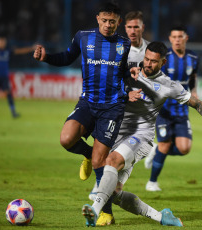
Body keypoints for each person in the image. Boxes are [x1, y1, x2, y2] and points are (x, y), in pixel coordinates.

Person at [81, 41, 202, 227]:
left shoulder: (168, 85)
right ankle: (162, 217)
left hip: (140, 137)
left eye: (153, 62)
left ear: (163, 63)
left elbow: (197, 103)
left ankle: (94, 210)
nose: (148, 64)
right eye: (146, 59)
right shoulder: (128, 73)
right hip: (115, 135)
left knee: (112, 161)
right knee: (115, 193)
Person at [33, 1, 132, 222]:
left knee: (100, 163)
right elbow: (67, 58)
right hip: (87, 102)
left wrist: (132, 80)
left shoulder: (125, 45)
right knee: (66, 139)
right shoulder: (83, 37)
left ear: (119, 22)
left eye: (112, 22)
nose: (108, 25)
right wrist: (46, 58)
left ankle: (106, 212)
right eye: (105, 20)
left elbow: (127, 73)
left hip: (112, 108)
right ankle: (87, 154)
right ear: (98, 18)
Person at [82, 10, 150, 226]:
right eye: (129, 27)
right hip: (114, 109)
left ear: (142, 28)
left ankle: (104, 203)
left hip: (135, 121)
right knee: (103, 161)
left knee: (113, 178)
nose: (132, 31)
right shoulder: (117, 46)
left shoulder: (149, 54)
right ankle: (106, 213)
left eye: (136, 27)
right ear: (124, 27)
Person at [144, 25, 199, 192]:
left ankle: (156, 150)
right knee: (165, 145)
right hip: (164, 110)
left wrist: (194, 93)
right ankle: (152, 182)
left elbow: (192, 79)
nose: (177, 40)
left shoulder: (193, 57)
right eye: (174, 37)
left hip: (182, 111)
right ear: (170, 38)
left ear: (185, 38)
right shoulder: (164, 57)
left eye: (180, 37)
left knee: (184, 149)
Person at [0, 36, 35, 118]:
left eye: (3, 42)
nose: (2, 43)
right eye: (0, 42)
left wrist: (31, 48)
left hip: (4, 77)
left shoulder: (8, 51)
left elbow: (19, 51)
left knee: (8, 93)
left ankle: (13, 112)